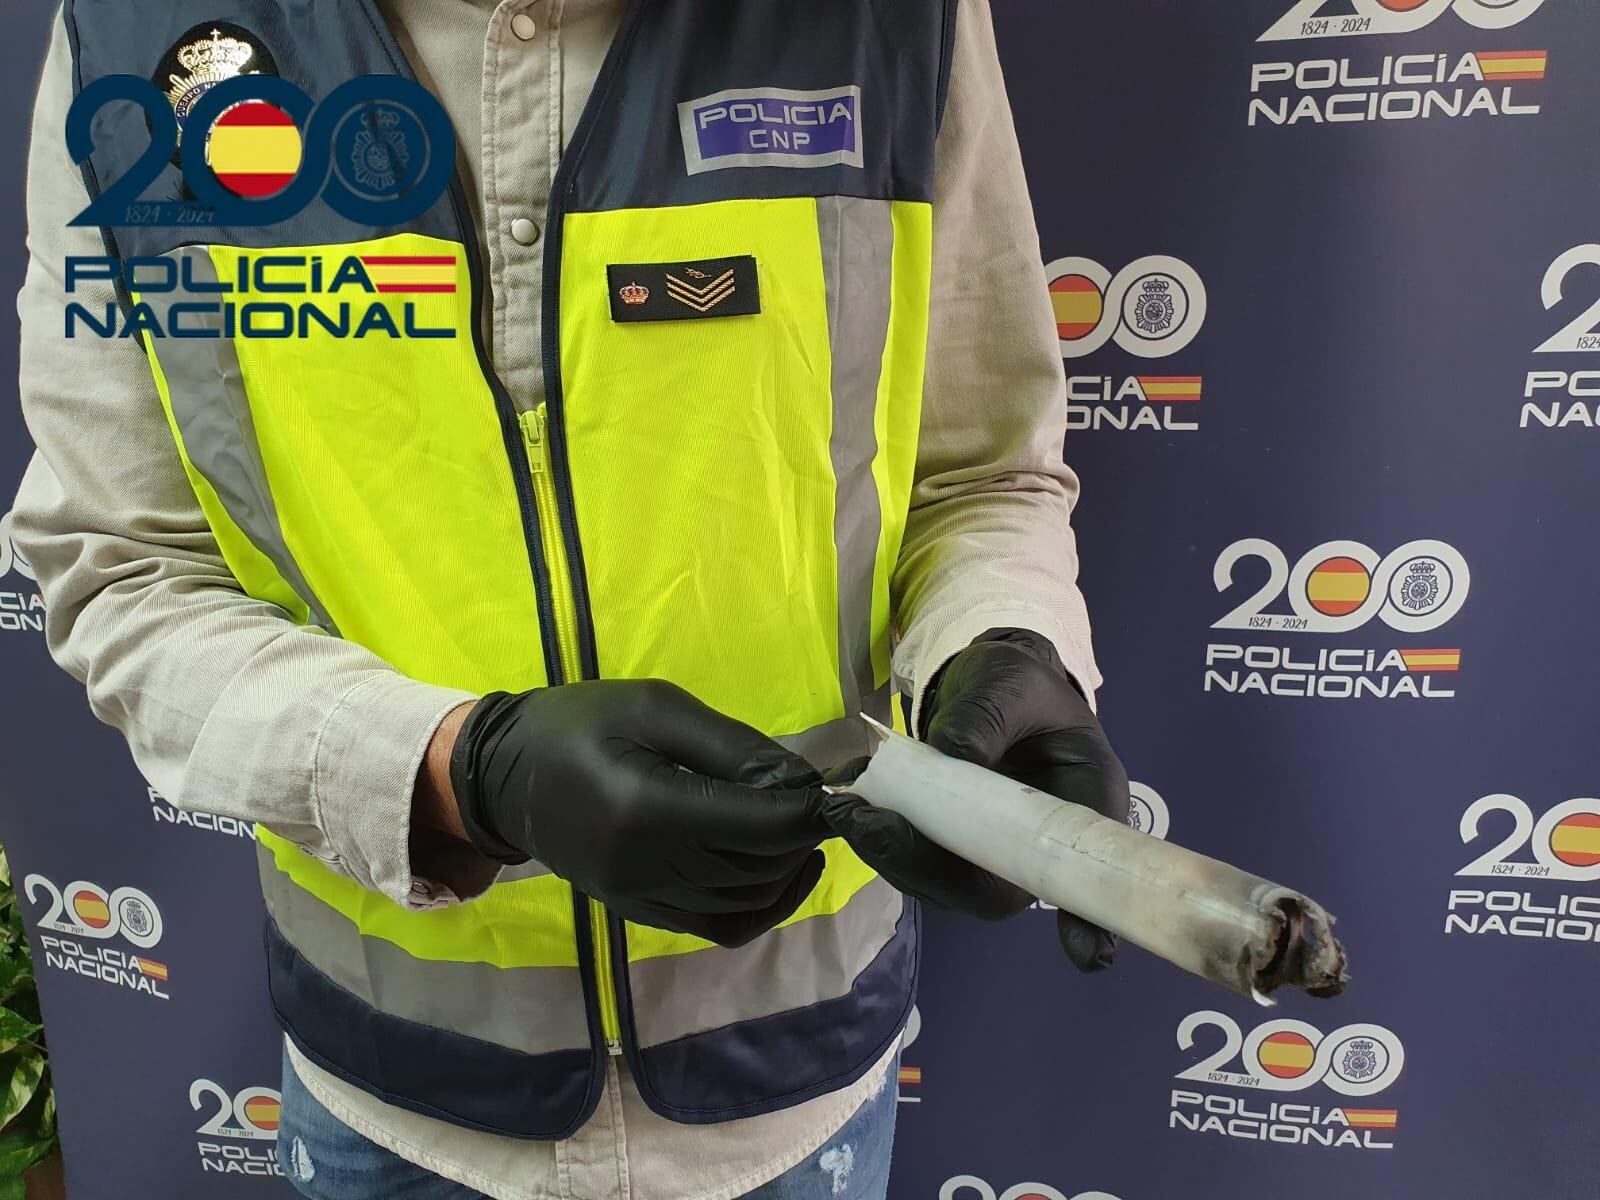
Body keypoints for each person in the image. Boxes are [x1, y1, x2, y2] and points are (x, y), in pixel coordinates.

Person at [13, 1, 1129, 1197]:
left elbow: (975, 473)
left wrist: (1000, 641)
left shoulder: (891, 21)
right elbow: (127, 567)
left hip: (793, 1082)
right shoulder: (134, 37)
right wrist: (458, 771)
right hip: (397, 1096)